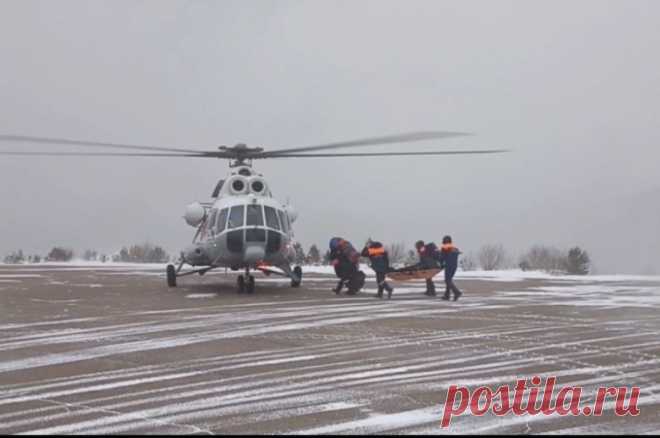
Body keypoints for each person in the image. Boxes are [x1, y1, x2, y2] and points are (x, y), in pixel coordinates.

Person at [439, 235, 462, 301]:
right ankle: (447, 295)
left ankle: (457, 292)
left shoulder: (444, 248)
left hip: (448, 266)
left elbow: (442, 258)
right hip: (454, 266)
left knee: (447, 280)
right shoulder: (455, 248)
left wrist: (440, 264)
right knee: (449, 280)